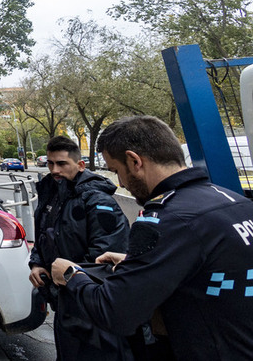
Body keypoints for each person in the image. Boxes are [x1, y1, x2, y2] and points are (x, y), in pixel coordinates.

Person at [51, 115, 253, 360]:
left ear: (135, 161)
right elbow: (213, 266)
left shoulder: (166, 219)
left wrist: (72, 275)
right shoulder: (233, 201)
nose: (122, 184)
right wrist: (137, 261)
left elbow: (116, 311)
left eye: (117, 171)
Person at [28, 136, 131, 360]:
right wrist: (36, 262)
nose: (55, 170)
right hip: (64, 303)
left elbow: (104, 257)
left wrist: (67, 281)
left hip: (91, 309)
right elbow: (44, 234)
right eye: (50, 163)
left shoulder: (97, 200)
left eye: (62, 163)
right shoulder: (52, 193)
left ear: (80, 165)